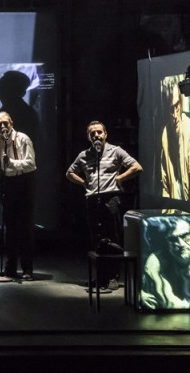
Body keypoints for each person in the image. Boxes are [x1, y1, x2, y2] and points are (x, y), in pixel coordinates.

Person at [65, 120, 142, 288]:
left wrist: (120, 178)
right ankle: (100, 277)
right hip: (92, 199)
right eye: (92, 133)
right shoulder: (84, 155)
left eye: (99, 132)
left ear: (105, 134)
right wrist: (84, 182)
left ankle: (113, 277)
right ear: (88, 137)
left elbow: (137, 167)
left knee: (113, 238)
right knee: (96, 239)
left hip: (111, 199)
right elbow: (69, 173)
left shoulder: (116, 151)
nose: (96, 135)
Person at [0, 111, 36, 280]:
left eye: (5, 123)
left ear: (11, 123)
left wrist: (12, 163)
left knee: (25, 228)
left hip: (23, 182)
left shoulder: (23, 138)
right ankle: (9, 268)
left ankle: (27, 269)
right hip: (7, 185)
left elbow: (31, 163)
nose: (2, 126)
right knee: (9, 229)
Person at [140, 217, 190, 310]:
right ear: (165, 244)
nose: (181, 244)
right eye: (173, 239)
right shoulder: (155, 263)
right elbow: (167, 303)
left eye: (185, 236)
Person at [160, 84, 190, 203]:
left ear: (181, 103)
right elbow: (164, 173)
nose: (174, 114)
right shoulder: (165, 132)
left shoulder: (186, 124)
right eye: (170, 109)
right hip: (175, 193)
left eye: (177, 105)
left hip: (188, 194)